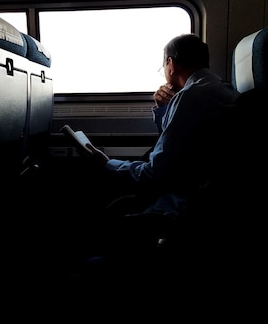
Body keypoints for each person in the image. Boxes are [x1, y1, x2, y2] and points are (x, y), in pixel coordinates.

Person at [78, 33, 239, 274]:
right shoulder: (219, 88)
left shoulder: (189, 97)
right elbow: (180, 146)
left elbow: (156, 172)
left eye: (163, 65)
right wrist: (164, 109)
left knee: (103, 232)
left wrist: (107, 163)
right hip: (209, 195)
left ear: (171, 64)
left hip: (187, 205)